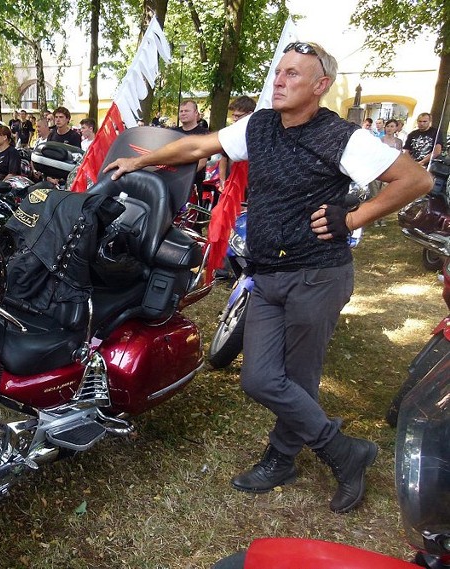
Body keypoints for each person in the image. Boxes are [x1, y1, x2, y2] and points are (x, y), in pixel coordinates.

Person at [105, 41, 432, 514]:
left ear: (320, 86)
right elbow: (200, 144)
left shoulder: (340, 136)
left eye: (293, 75)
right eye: (279, 71)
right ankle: (345, 451)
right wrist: (139, 160)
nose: (279, 80)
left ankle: (282, 458)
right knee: (259, 378)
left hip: (317, 275)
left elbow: (415, 180)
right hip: (268, 273)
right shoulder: (259, 125)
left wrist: (354, 218)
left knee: (299, 380)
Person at [172, 100, 210, 199]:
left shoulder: (204, 134)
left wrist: (183, 175)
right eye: (181, 111)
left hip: (193, 184)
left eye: (187, 111)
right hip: (171, 181)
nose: (183, 113)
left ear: (196, 113)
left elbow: (202, 163)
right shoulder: (172, 133)